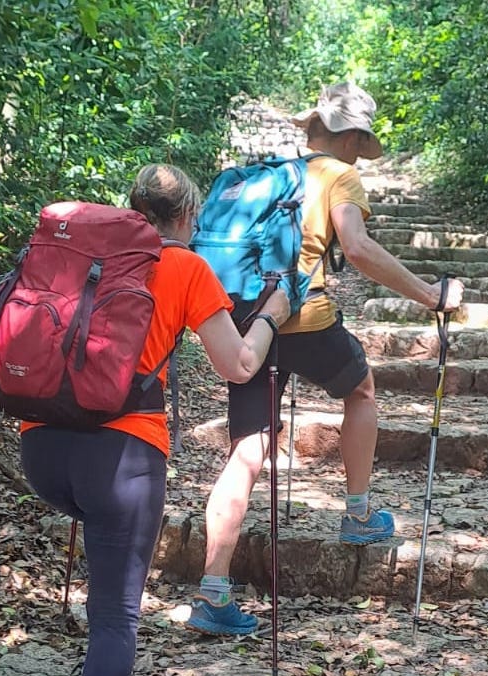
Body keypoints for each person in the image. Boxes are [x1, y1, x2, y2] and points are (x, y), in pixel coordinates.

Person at [17, 164, 290, 676]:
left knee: (100, 544)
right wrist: (272, 313)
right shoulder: (185, 268)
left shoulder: (86, 255)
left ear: (131, 208)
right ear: (188, 218)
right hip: (122, 458)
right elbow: (241, 364)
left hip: (41, 447)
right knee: (115, 615)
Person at [186, 82, 466, 637]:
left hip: (244, 320)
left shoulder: (275, 175)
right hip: (301, 317)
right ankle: (359, 514)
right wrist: (431, 296)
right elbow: (357, 249)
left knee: (248, 448)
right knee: (360, 391)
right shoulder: (340, 176)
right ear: (356, 138)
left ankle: (214, 588)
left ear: (312, 126)